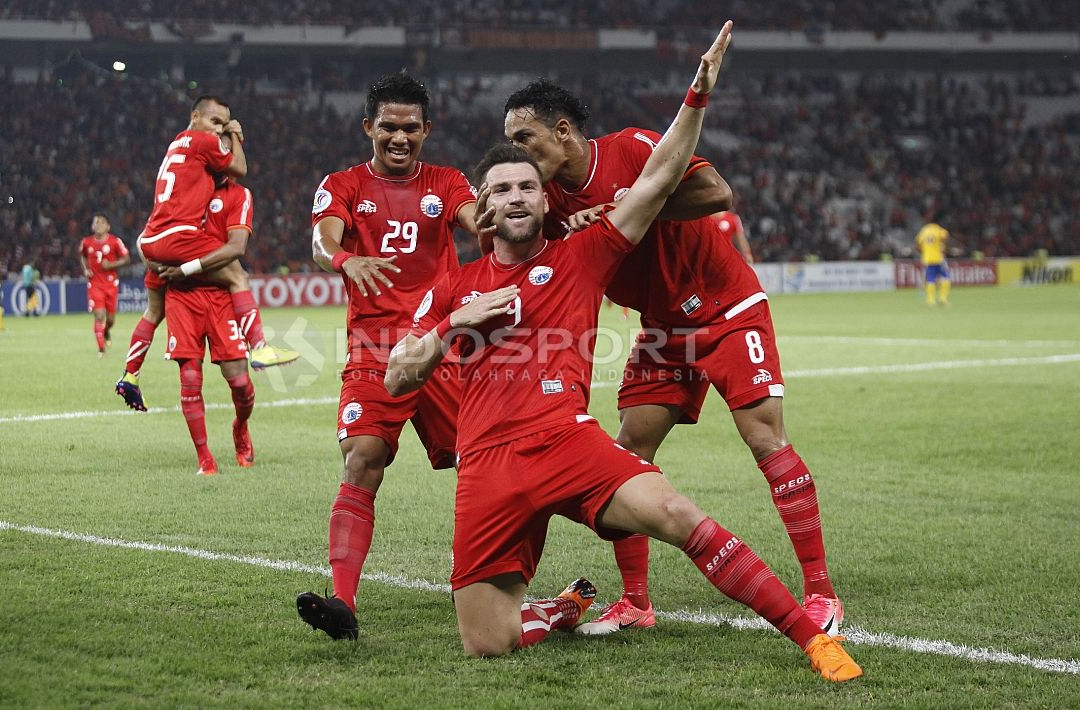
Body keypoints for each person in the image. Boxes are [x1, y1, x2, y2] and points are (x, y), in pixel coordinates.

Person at [383, 23, 860, 681]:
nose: (518, 188)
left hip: (705, 322)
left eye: (525, 164)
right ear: (484, 206)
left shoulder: (587, 233)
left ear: (560, 137)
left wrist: (696, 96)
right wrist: (453, 323)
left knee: (730, 463)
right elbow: (399, 372)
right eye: (502, 185)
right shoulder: (468, 278)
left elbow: (684, 182)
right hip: (515, 442)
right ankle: (615, 603)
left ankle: (816, 614)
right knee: (486, 642)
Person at [502, 79, 842, 637]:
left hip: (724, 306)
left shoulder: (631, 148)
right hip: (662, 329)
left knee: (764, 438)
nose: (519, 151)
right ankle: (636, 603)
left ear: (562, 131)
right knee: (629, 451)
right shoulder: (549, 201)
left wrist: (624, 207)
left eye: (525, 138)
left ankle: (821, 592)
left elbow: (716, 193)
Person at [295, 73, 482, 641]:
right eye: (388, 127)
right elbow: (322, 237)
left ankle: (493, 580)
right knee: (362, 458)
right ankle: (343, 602)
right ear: (368, 128)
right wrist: (343, 260)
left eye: (410, 128)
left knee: (485, 461)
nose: (399, 138)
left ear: (426, 129)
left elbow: (476, 222)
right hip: (374, 348)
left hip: (441, 345)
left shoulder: (448, 182)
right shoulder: (345, 183)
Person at [116, 96, 296, 411]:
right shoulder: (202, 142)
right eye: (215, 122)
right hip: (178, 238)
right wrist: (236, 135)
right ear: (195, 116)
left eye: (222, 126)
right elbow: (239, 168)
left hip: (149, 239)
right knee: (237, 274)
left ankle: (130, 374)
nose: (217, 132)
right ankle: (261, 347)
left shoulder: (177, 145)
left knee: (153, 311)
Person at [150, 172, 261, 473]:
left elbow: (236, 246)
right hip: (182, 297)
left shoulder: (237, 195)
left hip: (220, 295)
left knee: (239, 381)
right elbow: (155, 236)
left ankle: (240, 426)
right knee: (189, 377)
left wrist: (186, 267)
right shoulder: (181, 188)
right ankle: (204, 457)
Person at [80, 214, 130, 355]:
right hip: (95, 284)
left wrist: (111, 265)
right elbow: (83, 256)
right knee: (99, 315)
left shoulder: (115, 242)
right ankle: (101, 349)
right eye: (96, 222)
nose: (99, 225)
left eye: (102, 222)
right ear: (92, 226)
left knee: (111, 320)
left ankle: (106, 330)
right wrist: (86, 269)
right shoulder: (86, 242)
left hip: (111, 284)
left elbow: (126, 259)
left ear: (108, 226)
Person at [915, 213, 950, 306]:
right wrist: (943, 248)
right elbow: (946, 237)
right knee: (945, 276)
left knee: (930, 279)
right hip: (939, 258)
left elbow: (917, 244)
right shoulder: (938, 229)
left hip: (928, 259)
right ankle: (943, 298)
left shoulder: (924, 230)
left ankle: (930, 300)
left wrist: (924, 251)